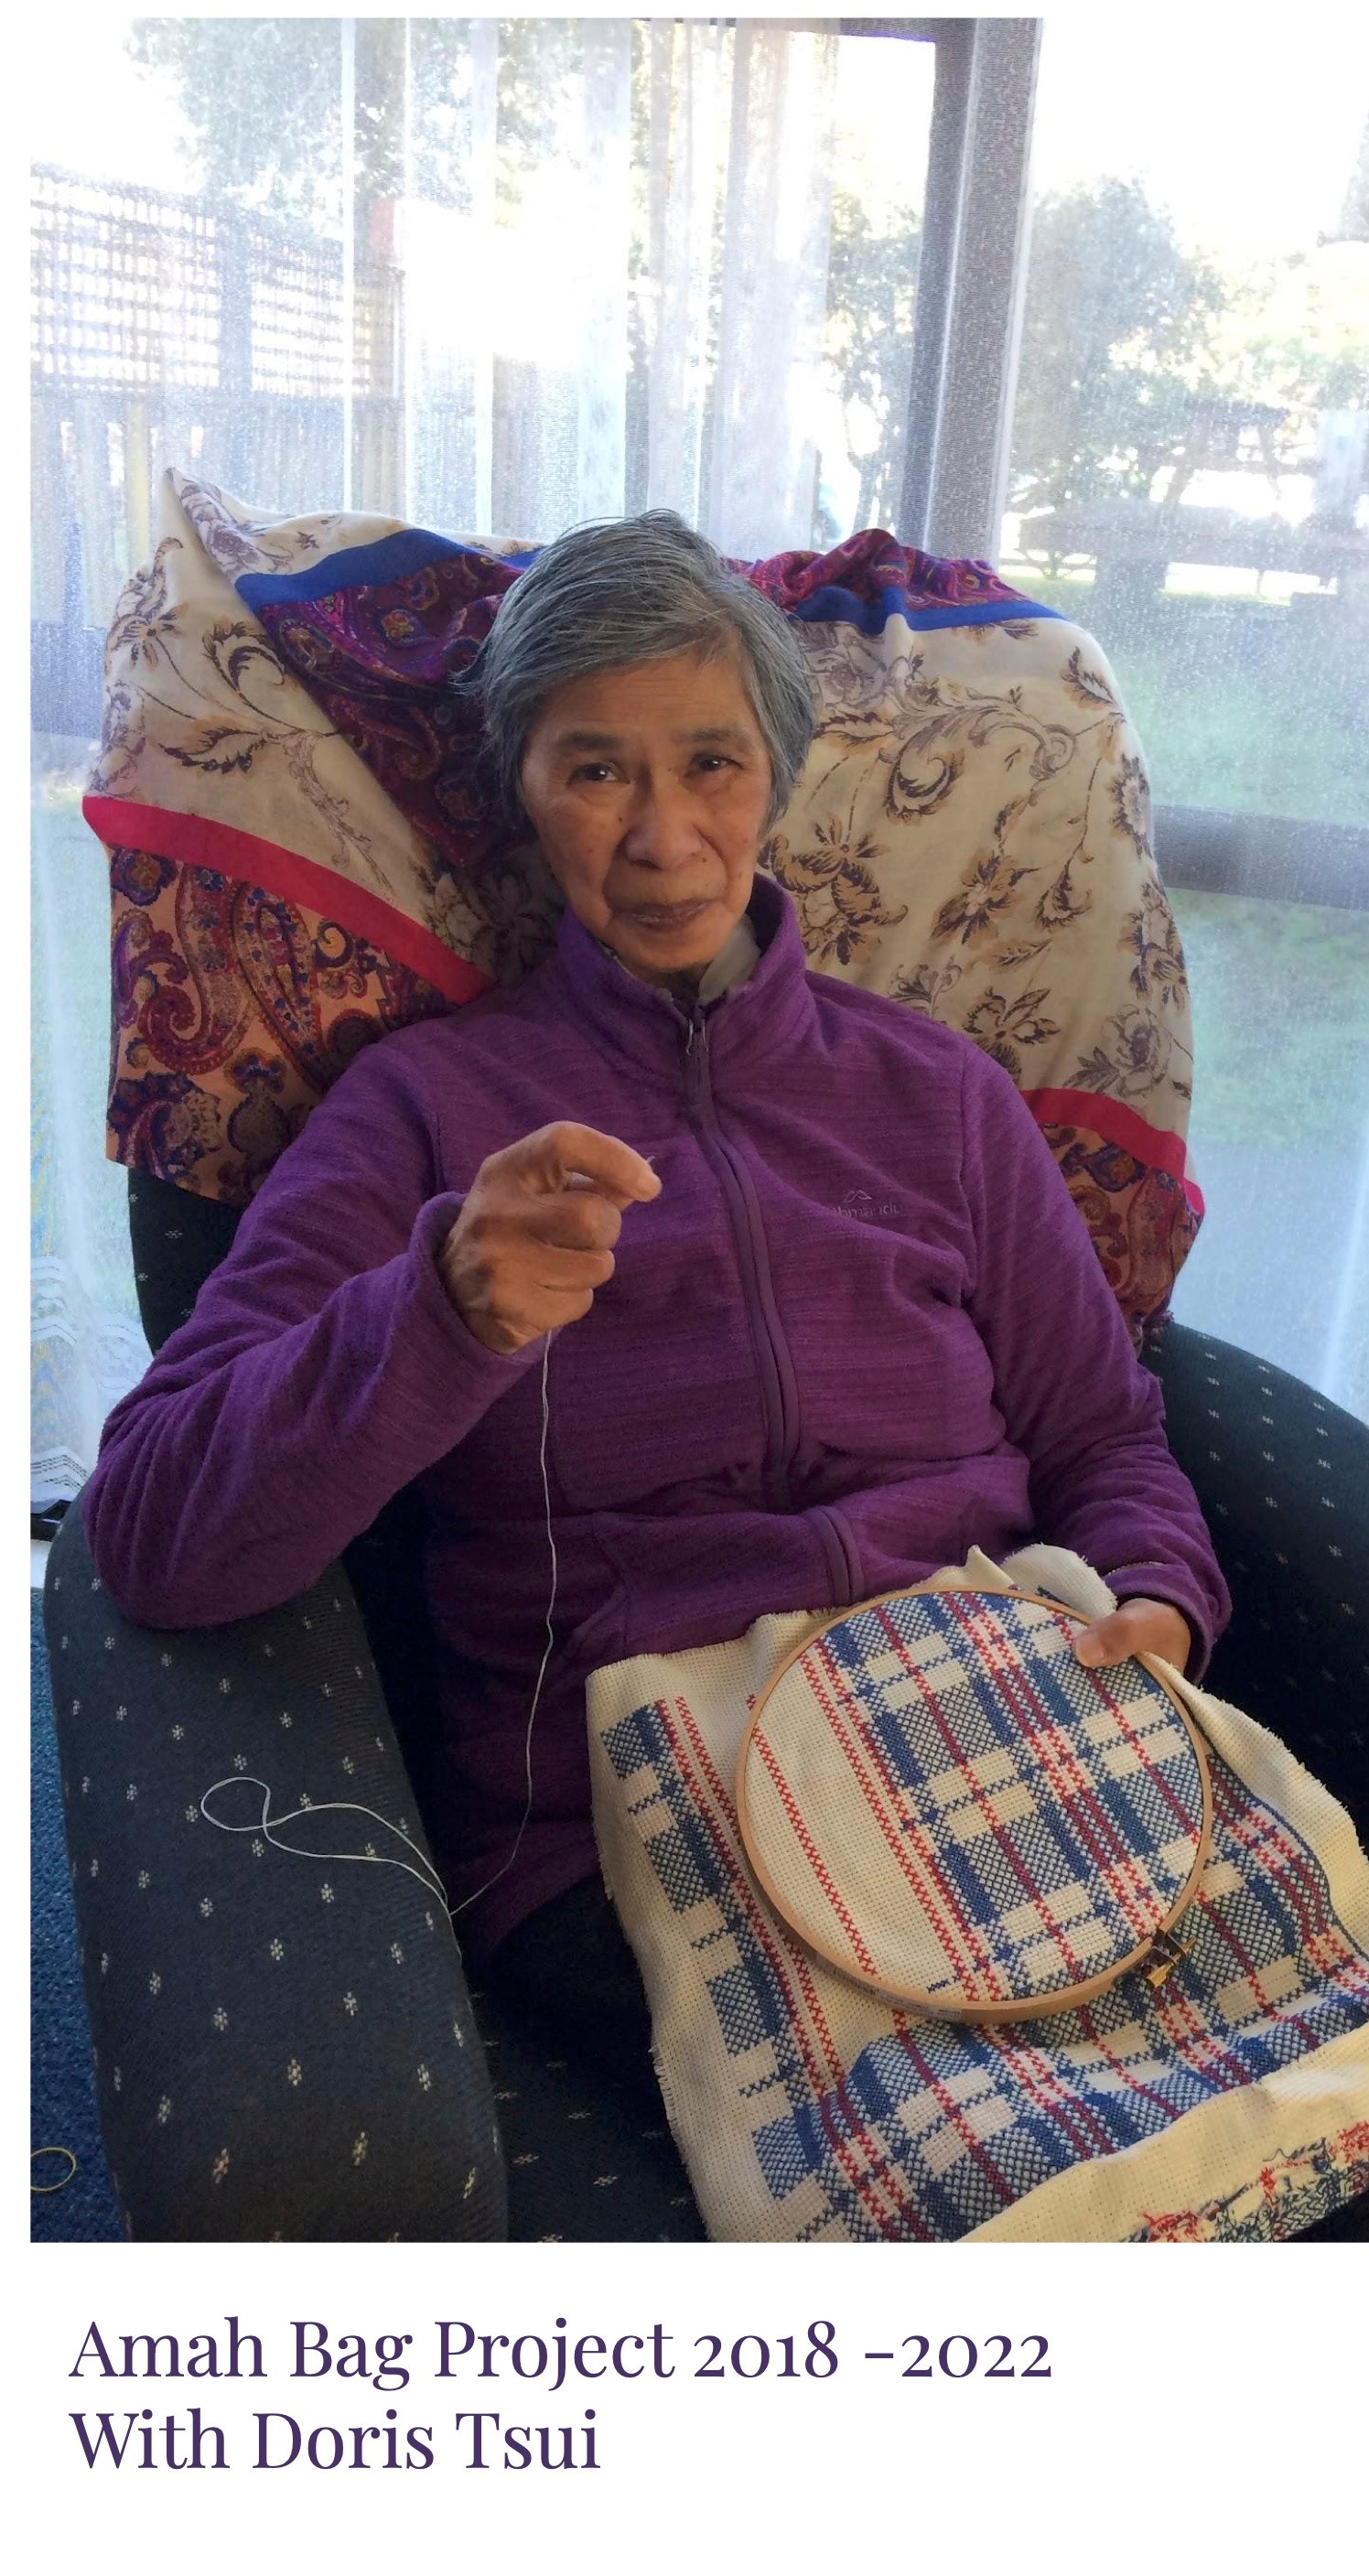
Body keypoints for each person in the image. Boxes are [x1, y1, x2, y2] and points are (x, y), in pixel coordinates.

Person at [78, 509, 1228, 2064]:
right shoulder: (421, 1111)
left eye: (713, 761)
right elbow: (152, 1531)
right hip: (633, 1816)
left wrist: (1157, 1599)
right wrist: (437, 1311)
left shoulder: (941, 1095)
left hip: (981, 1740)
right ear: (522, 794)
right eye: (595, 768)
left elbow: (1106, 1439)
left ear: (781, 771)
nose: (665, 835)